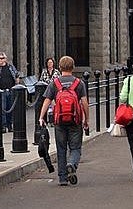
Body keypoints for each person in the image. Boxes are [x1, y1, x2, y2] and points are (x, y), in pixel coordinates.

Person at [38, 56, 89, 186]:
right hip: (75, 120)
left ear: (60, 68)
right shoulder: (79, 83)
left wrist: (41, 117)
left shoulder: (55, 83)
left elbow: (47, 101)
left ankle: (62, 178)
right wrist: (86, 119)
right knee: (75, 147)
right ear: (73, 67)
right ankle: (71, 163)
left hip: (59, 120)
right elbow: (84, 102)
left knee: (61, 149)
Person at [0, 51, 20, 132]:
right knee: (2, 109)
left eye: (2, 58)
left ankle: (9, 125)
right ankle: (3, 126)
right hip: (1, 91)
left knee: (10, 108)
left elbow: (17, 76)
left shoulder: (11, 67)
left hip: (11, 90)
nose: (0, 60)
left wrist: (17, 86)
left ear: (5, 59)